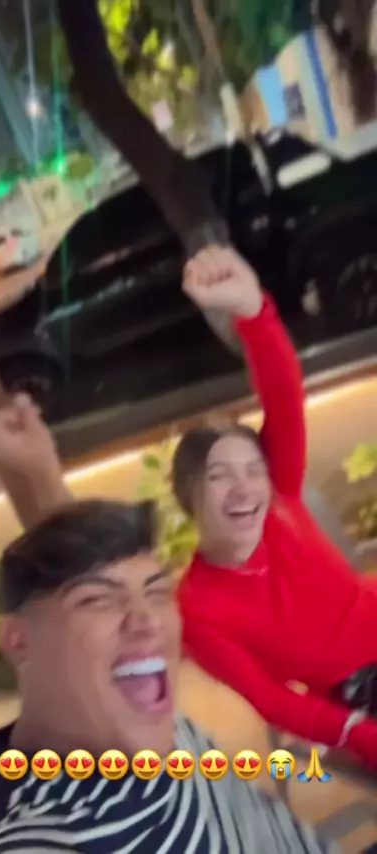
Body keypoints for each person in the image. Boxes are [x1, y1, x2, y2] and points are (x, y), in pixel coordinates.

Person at [0, 496, 339, 854]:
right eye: (97, 600)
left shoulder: (166, 730)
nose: (147, 621)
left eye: (158, 593)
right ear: (18, 641)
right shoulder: (38, 839)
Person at [174, 246, 377, 768]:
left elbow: (284, 393)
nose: (244, 489)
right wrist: (358, 734)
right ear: (189, 496)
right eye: (220, 476)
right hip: (362, 685)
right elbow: (272, 701)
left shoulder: (279, 495)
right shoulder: (199, 609)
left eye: (252, 470)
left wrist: (251, 309)